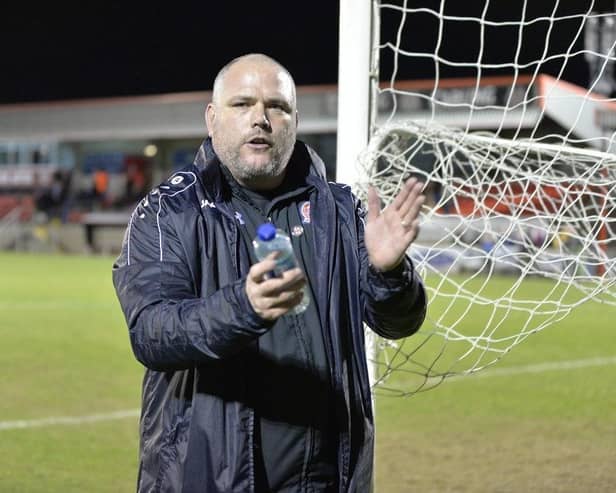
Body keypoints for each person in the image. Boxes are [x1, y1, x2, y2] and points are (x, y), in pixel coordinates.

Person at [112, 53, 427, 493]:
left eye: (276, 106)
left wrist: (388, 272)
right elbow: (152, 332)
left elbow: (398, 322)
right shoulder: (168, 212)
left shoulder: (339, 211)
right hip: (208, 477)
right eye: (242, 104)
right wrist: (244, 307)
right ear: (212, 117)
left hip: (327, 479)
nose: (260, 118)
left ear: (294, 120)